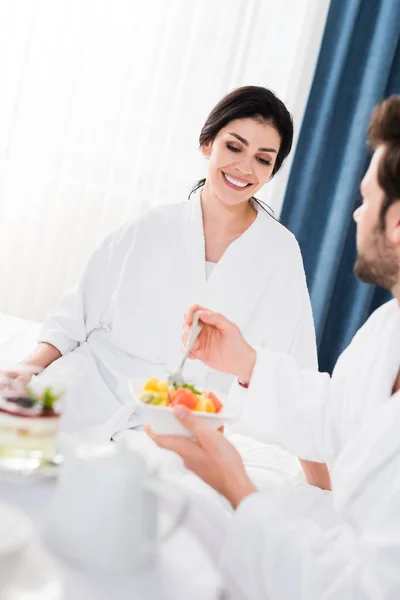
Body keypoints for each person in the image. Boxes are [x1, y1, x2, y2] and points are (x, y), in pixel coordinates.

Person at [8, 86, 327, 487]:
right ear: (207, 143)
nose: (245, 168)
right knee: (17, 453)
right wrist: (28, 368)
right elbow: (74, 319)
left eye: (263, 159)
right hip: (95, 380)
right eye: (234, 147)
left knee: (139, 502)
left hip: (182, 416)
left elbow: (294, 370)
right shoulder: (151, 226)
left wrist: (321, 484)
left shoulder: (279, 253)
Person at [147, 95, 400, 598]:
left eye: (366, 199)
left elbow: (367, 586)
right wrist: (244, 362)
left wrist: (237, 488)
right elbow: (336, 415)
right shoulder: (388, 327)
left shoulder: (280, 249)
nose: (354, 215)